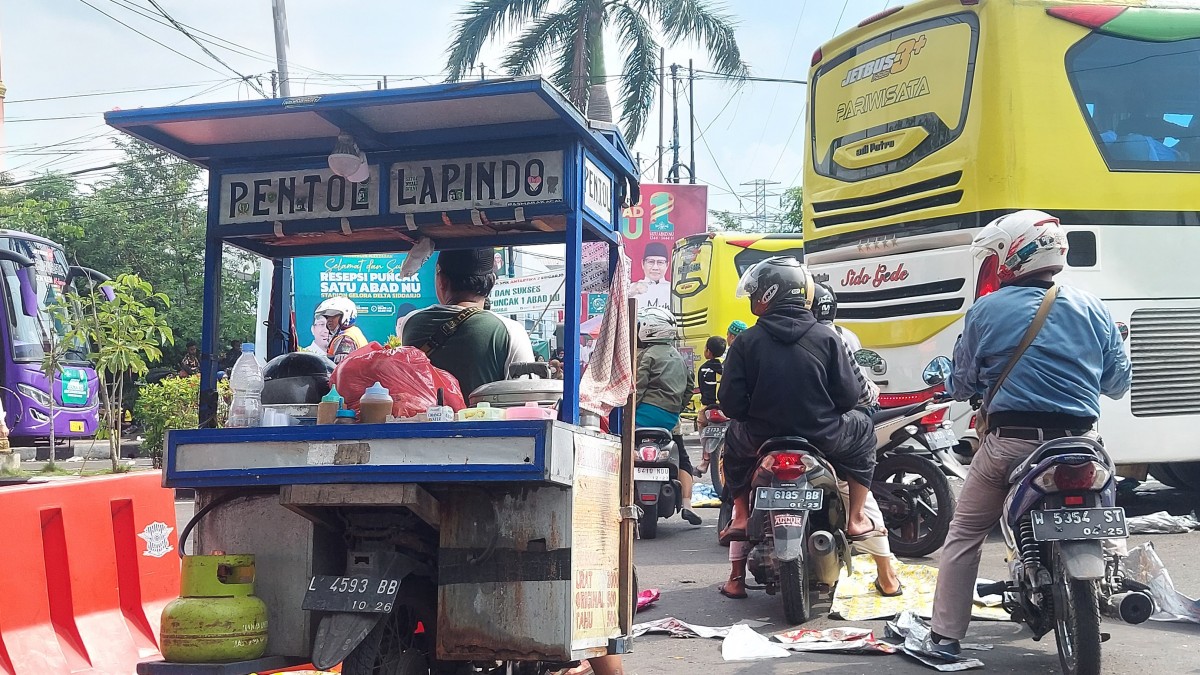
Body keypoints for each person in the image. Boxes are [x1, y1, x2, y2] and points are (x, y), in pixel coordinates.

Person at [925, 210, 1132, 657]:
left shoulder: (986, 309)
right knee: (1111, 512)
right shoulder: (1094, 308)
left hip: (1011, 445)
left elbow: (962, 383)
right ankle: (1112, 575)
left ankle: (944, 638)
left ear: (1012, 254)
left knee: (964, 533)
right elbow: (1117, 385)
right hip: (1081, 443)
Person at [716, 256, 878, 545]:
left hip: (760, 438)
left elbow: (731, 405)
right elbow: (849, 398)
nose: (753, 298)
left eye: (755, 293)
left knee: (732, 443)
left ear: (769, 293)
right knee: (864, 428)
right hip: (823, 436)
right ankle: (856, 518)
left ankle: (740, 516)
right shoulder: (829, 338)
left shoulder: (745, 342)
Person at [398, 248, 535, 396]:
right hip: (483, 419)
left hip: (423, 418)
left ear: (442, 281)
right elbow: (528, 397)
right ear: (492, 282)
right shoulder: (510, 331)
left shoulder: (410, 323)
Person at [635, 306, 701, 526]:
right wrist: (675, 410)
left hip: (642, 418)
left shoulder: (647, 355)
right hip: (671, 420)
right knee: (683, 459)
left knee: (620, 447)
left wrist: (628, 411)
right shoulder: (680, 358)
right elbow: (689, 389)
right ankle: (687, 504)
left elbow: (639, 388)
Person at [812, 283, 879, 412]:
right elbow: (864, 396)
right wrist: (874, 391)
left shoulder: (792, 337)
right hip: (841, 415)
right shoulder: (842, 336)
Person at [693, 335, 726, 475]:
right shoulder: (726, 367)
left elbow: (702, 386)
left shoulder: (703, 369)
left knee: (701, 424)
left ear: (708, 351)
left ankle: (705, 460)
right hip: (724, 408)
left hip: (707, 408)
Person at [317, 297, 368, 364]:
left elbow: (340, 369)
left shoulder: (346, 339)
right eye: (327, 317)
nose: (329, 320)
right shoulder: (354, 331)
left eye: (333, 316)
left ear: (346, 316)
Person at [630, 242, 671, 310]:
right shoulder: (632, 289)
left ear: (667, 265)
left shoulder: (673, 290)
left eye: (660, 262)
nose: (655, 267)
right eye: (651, 262)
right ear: (643, 264)